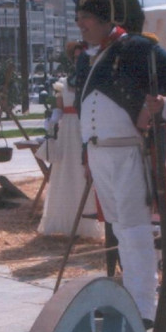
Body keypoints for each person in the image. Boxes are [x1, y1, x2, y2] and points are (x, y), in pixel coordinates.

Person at [72, 0, 166, 326]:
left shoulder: (136, 48)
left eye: (86, 19)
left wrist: (160, 105)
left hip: (127, 155)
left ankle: (144, 309)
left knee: (136, 231)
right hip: (100, 156)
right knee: (121, 232)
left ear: (106, 17)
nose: (81, 26)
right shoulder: (91, 57)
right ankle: (131, 302)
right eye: (78, 19)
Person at [36, 71, 102, 239]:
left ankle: (87, 223)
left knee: (84, 170)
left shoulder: (91, 80)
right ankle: (64, 222)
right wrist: (51, 123)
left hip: (85, 128)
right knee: (65, 171)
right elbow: (59, 110)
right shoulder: (62, 84)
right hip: (66, 131)